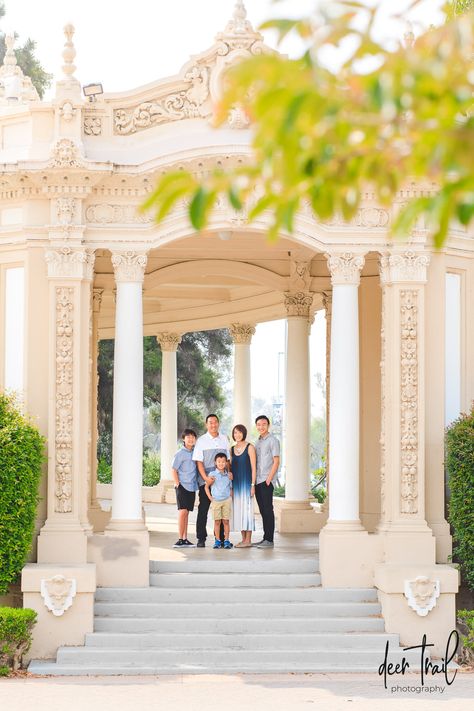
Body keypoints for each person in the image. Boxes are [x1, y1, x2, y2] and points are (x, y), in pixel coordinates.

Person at [193, 414, 230, 547]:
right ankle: (201, 538)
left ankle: (219, 539)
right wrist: (205, 479)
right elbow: (199, 462)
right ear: (206, 424)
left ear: (218, 423)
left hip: (222, 483)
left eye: (215, 422)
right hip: (206, 481)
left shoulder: (224, 439)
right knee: (203, 509)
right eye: (210, 422)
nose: (213, 425)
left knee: (220, 512)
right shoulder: (201, 441)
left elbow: (228, 461)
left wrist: (228, 473)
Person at [253, 415, 280, 549]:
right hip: (258, 481)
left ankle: (269, 540)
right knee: (263, 510)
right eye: (258, 424)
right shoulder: (257, 442)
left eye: (263, 424)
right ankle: (265, 538)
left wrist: (269, 479)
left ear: (268, 425)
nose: (261, 426)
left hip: (266, 481)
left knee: (268, 510)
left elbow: (276, 461)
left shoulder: (273, 440)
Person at [171, 428, 198, 547]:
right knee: (182, 512)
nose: (191, 439)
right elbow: (173, 469)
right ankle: (180, 539)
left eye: (193, 437)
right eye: (188, 437)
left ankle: (185, 538)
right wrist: (178, 484)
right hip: (182, 486)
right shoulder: (180, 453)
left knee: (187, 513)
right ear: (183, 439)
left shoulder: (195, 452)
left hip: (192, 486)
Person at [230, 424, 256, 547]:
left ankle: (248, 540)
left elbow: (254, 468)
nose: (237, 435)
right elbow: (230, 468)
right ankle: (243, 539)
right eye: (235, 432)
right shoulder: (232, 449)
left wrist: (252, 485)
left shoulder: (250, 447)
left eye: (239, 432)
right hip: (236, 485)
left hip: (246, 484)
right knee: (239, 511)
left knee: (247, 511)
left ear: (244, 433)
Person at [205, 452, 233, 550]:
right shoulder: (212, 474)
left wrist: (230, 498)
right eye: (219, 461)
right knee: (217, 522)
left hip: (226, 501)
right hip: (216, 501)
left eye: (223, 462)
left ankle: (226, 540)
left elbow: (231, 488)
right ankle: (217, 540)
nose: (221, 463)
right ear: (215, 463)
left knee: (226, 521)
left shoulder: (228, 475)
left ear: (226, 463)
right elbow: (206, 487)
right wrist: (210, 498)